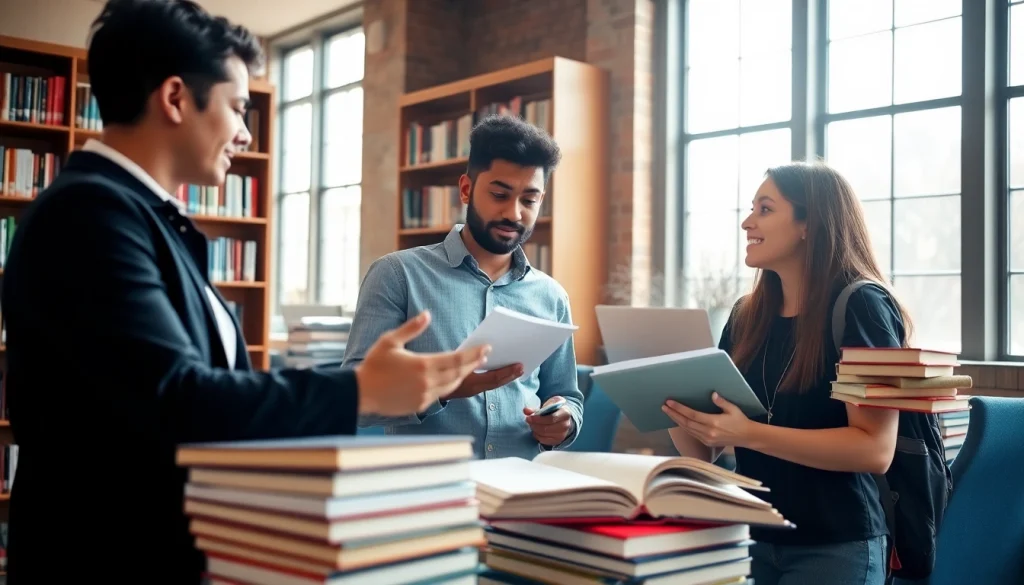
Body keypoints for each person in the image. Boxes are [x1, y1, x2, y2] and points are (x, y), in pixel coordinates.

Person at [0, 1, 490, 582]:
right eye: (237, 107)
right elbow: (175, 400)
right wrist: (356, 390)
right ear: (176, 98)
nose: (245, 132)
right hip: (106, 558)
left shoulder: (141, 216)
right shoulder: (90, 215)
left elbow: (198, 387)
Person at [662, 161, 915, 585]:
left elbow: (873, 450)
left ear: (808, 225)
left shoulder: (862, 308)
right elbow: (701, 452)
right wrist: (669, 394)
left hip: (835, 546)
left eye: (765, 209)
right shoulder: (746, 316)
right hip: (750, 538)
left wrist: (747, 434)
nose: (747, 222)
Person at [342, 114, 584, 461]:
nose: (514, 213)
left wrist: (564, 421)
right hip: (431, 493)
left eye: (529, 200)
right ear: (467, 190)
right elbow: (355, 401)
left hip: (522, 492)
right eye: (500, 194)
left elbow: (567, 395)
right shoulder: (397, 275)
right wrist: (442, 390)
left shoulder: (551, 296)